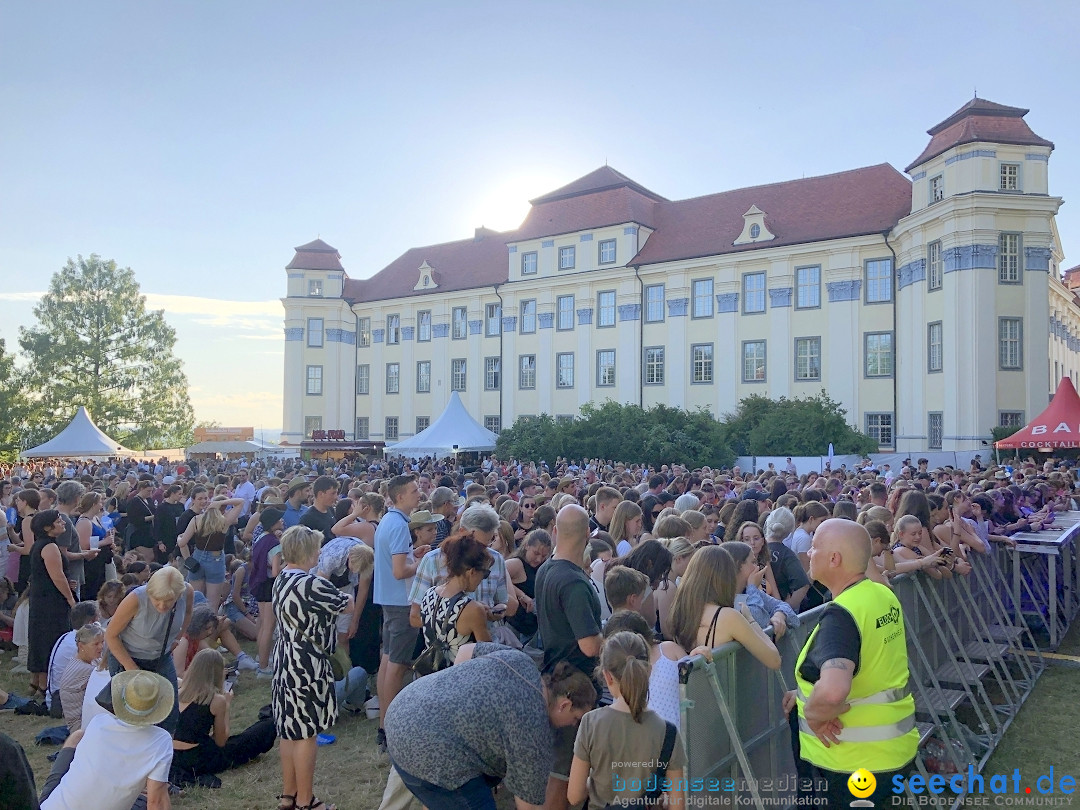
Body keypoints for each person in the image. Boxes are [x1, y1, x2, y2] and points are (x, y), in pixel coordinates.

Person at [785, 519, 918, 808]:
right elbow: (871, 663)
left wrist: (814, 713)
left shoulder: (842, 615)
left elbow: (834, 690)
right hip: (893, 752)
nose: (808, 553)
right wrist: (802, 695)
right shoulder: (881, 594)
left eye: (815, 547)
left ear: (834, 559)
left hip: (852, 765)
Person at [386, 644, 595, 810]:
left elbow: (467, 651)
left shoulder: (520, 660)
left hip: (402, 710)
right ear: (564, 705)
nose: (574, 726)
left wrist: (456, 703)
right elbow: (528, 805)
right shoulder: (534, 730)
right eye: (576, 719)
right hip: (429, 751)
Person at [272, 525, 351, 810]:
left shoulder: (281, 578)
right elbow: (348, 605)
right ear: (308, 551)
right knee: (307, 732)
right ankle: (306, 801)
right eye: (317, 548)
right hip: (307, 661)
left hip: (284, 657)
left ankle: (288, 795)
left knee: (288, 728)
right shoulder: (311, 583)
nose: (320, 552)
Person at [567, 631, 686, 809]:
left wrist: (595, 782)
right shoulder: (667, 732)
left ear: (607, 676)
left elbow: (574, 796)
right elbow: (678, 806)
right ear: (648, 671)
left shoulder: (590, 723)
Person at [534, 504, 603, 810]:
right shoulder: (573, 582)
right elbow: (589, 645)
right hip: (574, 687)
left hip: (555, 676)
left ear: (556, 531)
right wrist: (610, 633)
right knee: (563, 773)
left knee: (560, 769)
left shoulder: (547, 568)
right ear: (588, 534)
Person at [38, 670, 175, 810]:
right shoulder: (161, 741)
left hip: (52, 806)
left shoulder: (99, 722)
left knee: (77, 736)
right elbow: (156, 803)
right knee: (148, 795)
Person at [373, 475, 427, 753]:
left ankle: (384, 725)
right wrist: (423, 563)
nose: (419, 493)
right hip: (401, 601)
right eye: (414, 490)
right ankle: (390, 727)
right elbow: (399, 571)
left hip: (389, 600)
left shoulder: (390, 521)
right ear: (400, 497)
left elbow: (396, 562)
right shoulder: (399, 525)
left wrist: (413, 556)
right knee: (397, 663)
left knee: (388, 661)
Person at [105, 566, 194, 734]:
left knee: (169, 711)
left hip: (161, 657)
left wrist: (177, 637)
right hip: (128, 656)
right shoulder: (135, 599)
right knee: (134, 716)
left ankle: (163, 753)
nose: (162, 605)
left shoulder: (187, 591)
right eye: (156, 600)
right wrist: (132, 669)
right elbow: (110, 635)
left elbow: (188, 613)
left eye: (169, 601)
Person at [171, 648, 276, 785]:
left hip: (172, 757)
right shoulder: (216, 700)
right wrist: (226, 705)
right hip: (198, 760)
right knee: (258, 733)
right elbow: (221, 741)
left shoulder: (177, 692)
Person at [668, 545, 780, 669]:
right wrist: (751, 620)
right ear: (727, 577)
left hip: (698, 687)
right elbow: (774, 660)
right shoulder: (728, 617)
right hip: (726, 686)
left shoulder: (681, 610)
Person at [416, 531, 492, 667]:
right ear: (472, 572)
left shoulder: (430, 594)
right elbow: (488, 654)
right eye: (485, 573)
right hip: (458, 680)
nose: (483, 579)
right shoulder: (473, 609)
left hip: (430, 677)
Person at [28, 510, 81, 698]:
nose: (63, 523)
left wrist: (67, 582)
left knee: (40, 637)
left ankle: (36, 681)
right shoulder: (49, 547)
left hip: (41, 597)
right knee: (49, 638)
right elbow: (56, 576)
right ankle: (44, 684)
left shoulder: (41, 544)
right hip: (50, 601)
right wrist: (70, 598)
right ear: (47, 528)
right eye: (59, 522)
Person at [177, 496, 244, 612]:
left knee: (196, 601)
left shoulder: (196, 520)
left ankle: (193, 627)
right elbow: (241, 502)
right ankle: (210, 628)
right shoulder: (224, 521)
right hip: (216, 559)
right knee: (212, 604)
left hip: (198, 558)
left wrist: (179, 538)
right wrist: (221, 502)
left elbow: (182, 543)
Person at [722, 541, 800, 638]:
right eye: (753, 562)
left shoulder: (747, 591)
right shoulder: (721, 596)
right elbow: (761, 621)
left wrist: (780, 615)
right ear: (739, 565)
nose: (757, 567)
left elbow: (788, 611)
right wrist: (752, 587)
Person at [249, 507, 285, 677]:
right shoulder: (275, 544)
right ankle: (264, 666)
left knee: (263, 624)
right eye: (279, 519)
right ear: (273, 523)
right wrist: (290, 563)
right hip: (270, 584)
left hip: (260, 583)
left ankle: (261, 658)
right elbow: (277, 571)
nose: (282, 521)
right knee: (269, 627)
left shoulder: (261, 538)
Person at [58, 621, 105, 732]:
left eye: (102, 642)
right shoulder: (83, 669)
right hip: (79, 725)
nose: (101, 647)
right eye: (96, 644)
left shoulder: (91, 660)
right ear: (81, 646)